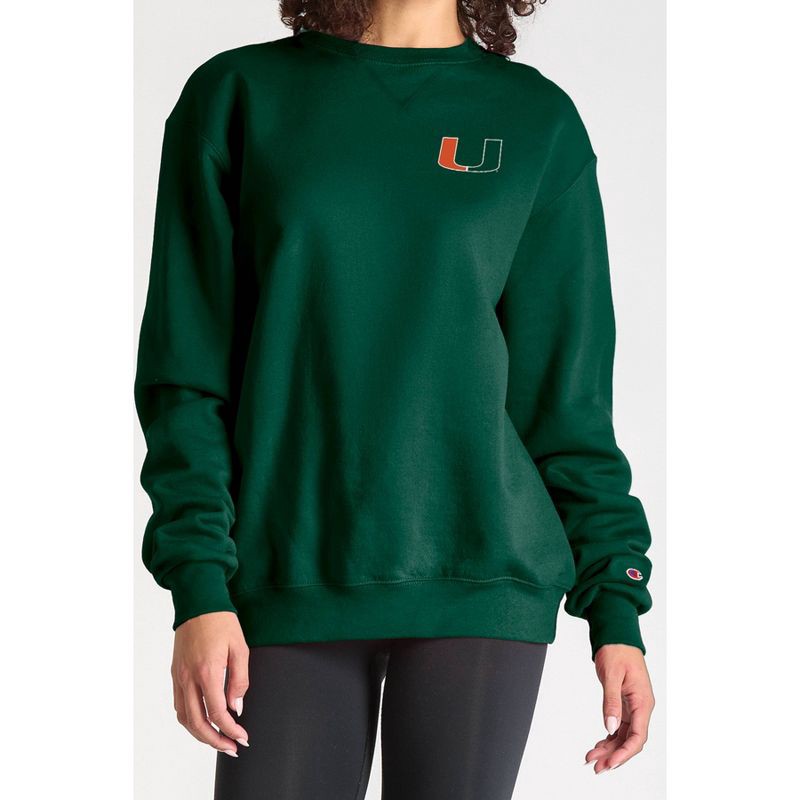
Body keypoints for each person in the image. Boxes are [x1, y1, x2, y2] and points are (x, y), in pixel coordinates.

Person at [134, 0, 656, 797]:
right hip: (286, 567)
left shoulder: (535, 120)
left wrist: (616, 605)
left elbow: (567, 401)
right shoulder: (238, 95)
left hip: (481, 571)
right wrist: (199, 585)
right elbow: (186, 373)